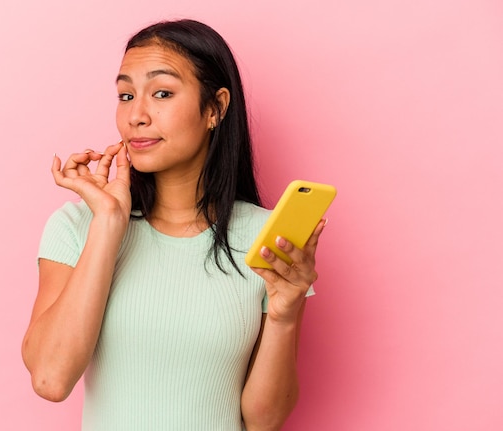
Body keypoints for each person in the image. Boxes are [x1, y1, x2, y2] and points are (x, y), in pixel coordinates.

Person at [22, 18, 326, 431]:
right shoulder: (77, 225)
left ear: (215, 108)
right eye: (126, 95)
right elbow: (51, 379)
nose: (136, 116)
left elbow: (264, 421)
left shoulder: (266, 238)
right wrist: (108, 223)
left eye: (162, 93)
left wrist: (284, 316)